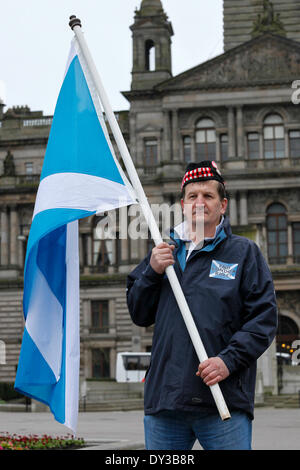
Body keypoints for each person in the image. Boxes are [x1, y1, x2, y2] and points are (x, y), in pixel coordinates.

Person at [126, 160, 277, 450]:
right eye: (193, 196)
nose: (199, 202)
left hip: (223, 401)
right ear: (182, 204)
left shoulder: (244, 253)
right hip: (165, 403)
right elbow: (139, 313)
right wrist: (151, 273)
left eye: (208, 196)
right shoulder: (163, 251)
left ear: (223, 205)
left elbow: (263, 319)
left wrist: (227, 361)